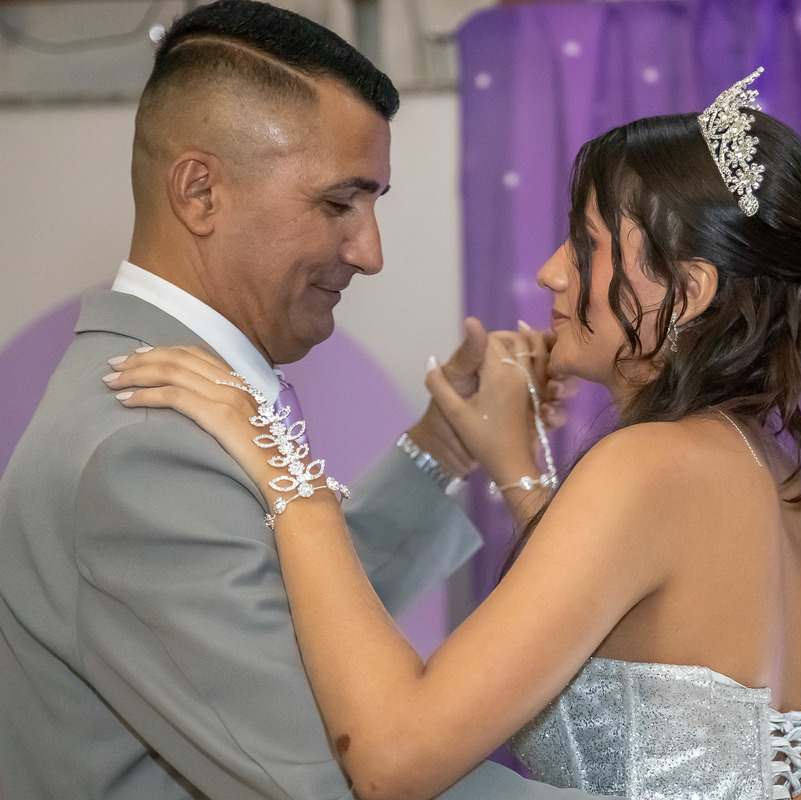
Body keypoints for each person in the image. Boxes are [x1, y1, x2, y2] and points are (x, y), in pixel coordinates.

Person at [105, 70, 801, 800]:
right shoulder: (785, 472)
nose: (550, 271)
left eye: (587, 244)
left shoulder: (647, 466)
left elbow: (392, 760)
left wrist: (283, 462)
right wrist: (513, 464)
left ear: (691, 288)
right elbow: (643, 645)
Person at [0, 2, 594, 800]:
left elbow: (309, 628)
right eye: (338, 204)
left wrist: (443, 446)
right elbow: (334, 769)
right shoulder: (143, 445)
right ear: (200, 192)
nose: (370, 252)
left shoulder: (164, 399)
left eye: (374, 205)